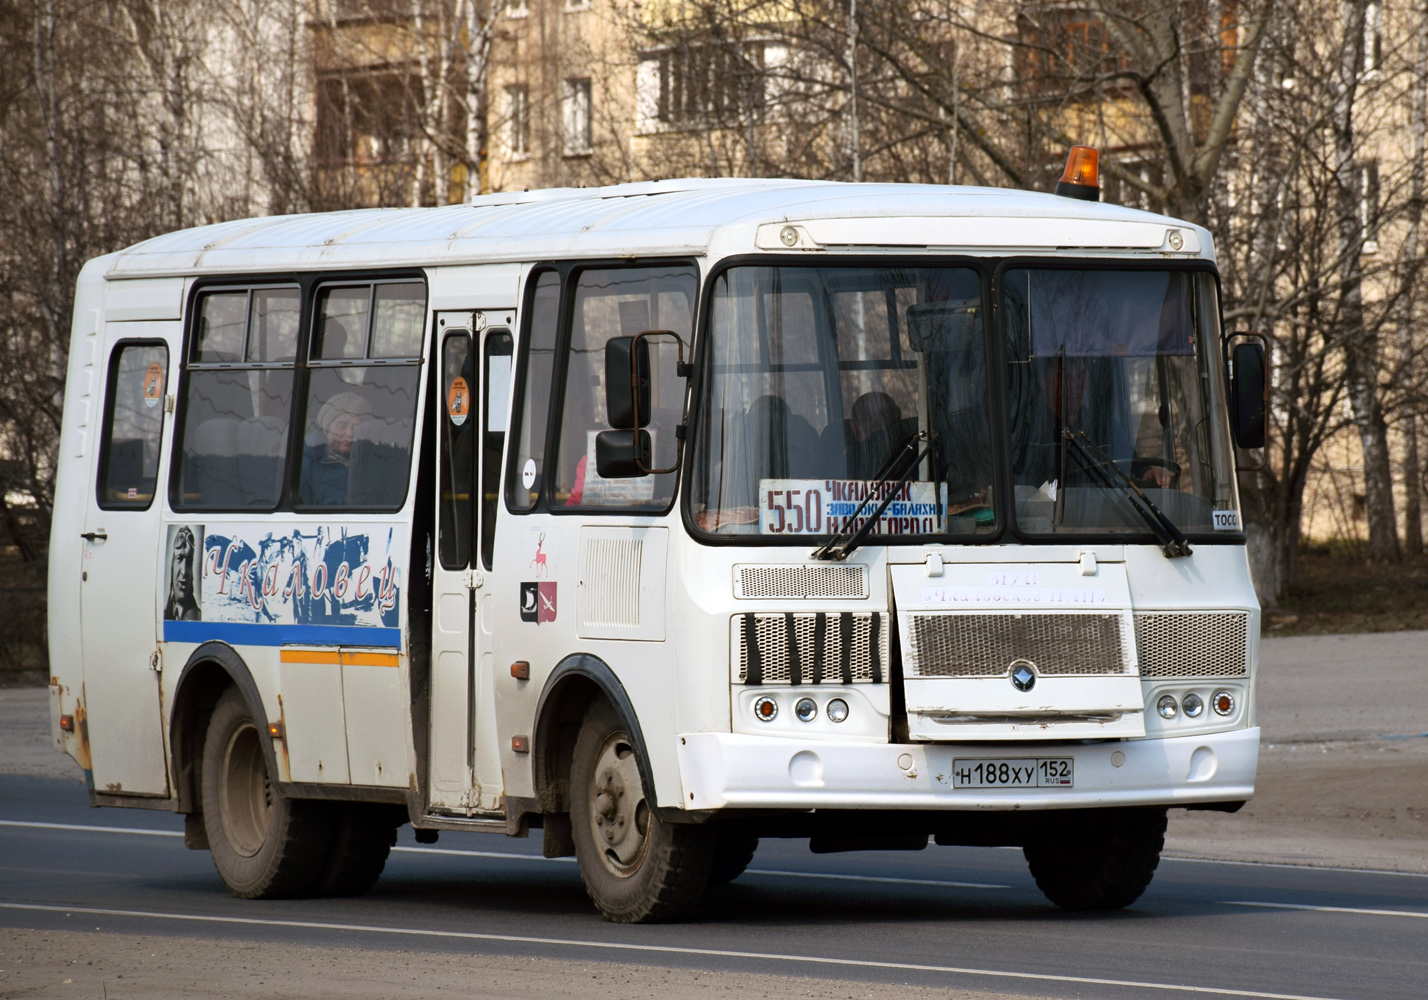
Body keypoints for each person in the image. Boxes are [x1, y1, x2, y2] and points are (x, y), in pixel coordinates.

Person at [300, 390, 371, 505]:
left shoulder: (373, 461)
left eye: (357, 427)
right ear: (326, 430)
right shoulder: (308, 463)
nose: (350, 433)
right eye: (342, 426)